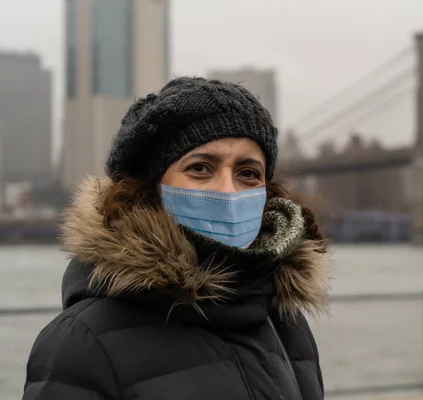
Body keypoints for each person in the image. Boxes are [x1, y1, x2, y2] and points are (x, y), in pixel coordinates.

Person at [23, 77, 330, 400]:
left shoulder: (284, 321)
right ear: (149, 189)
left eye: (248, 173)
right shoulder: (81, 342)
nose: (227, 190)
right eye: (200, 168)